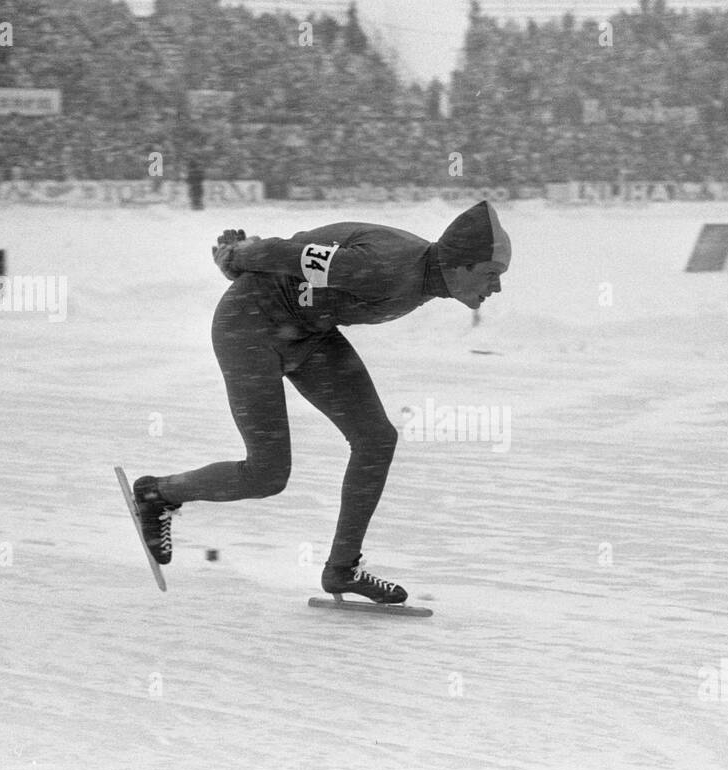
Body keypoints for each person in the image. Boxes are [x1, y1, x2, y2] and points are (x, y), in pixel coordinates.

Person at [131, 202, 511, 603]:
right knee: (267, 473)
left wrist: (248, 259)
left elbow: (314, 255)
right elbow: (292, 254)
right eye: (491, 274)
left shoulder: (426, 274)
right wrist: (238, 257)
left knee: (376, 439)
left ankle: (342, 569)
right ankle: (158, 493)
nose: (497, 287)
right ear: (460, 265)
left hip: (308, 333)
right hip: (249, 324)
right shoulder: (390, 267)